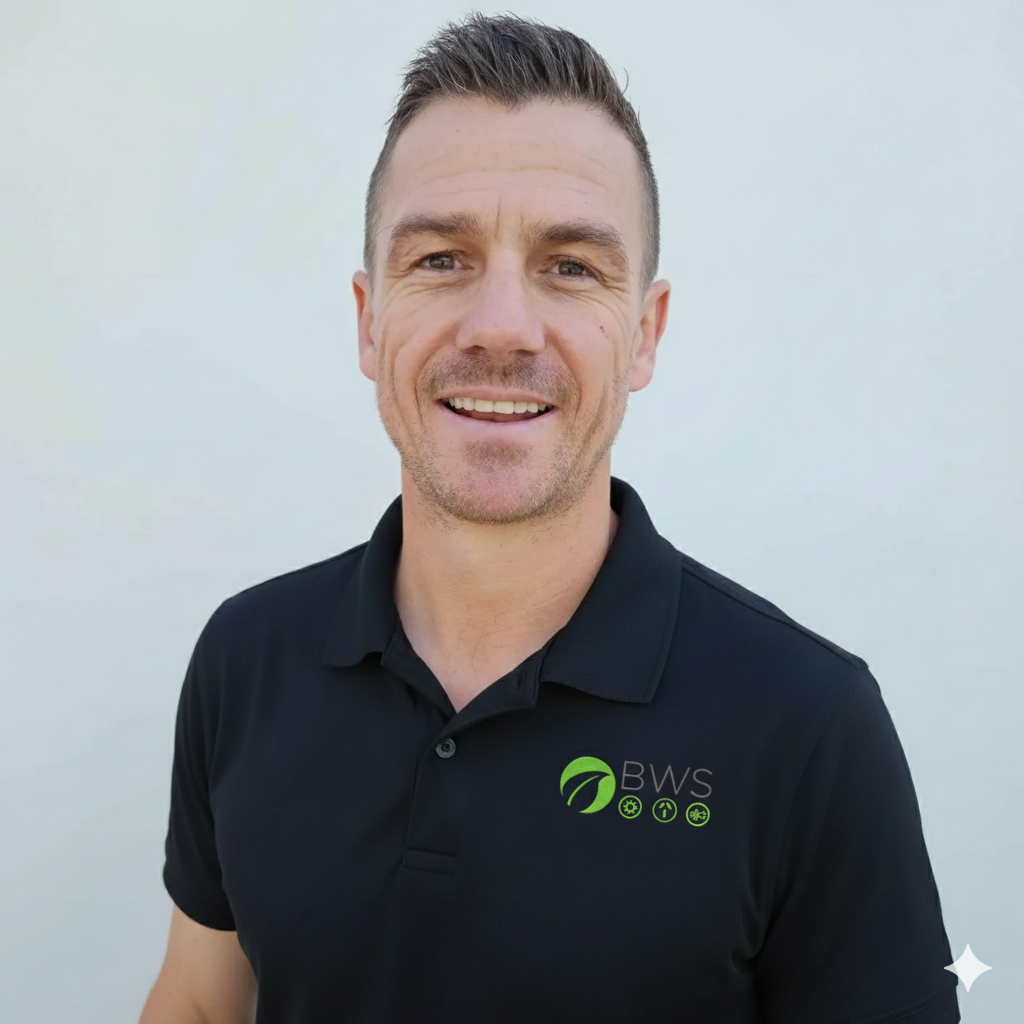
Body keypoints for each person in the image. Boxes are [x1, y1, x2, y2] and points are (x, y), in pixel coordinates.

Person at [139, 14, 959, 1024]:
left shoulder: (809, 727)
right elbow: (200, 1004)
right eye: (440, 257)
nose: (500, 327)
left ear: (644, 334)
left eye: (571, 266)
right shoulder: (243, 660)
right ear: (367, 317)